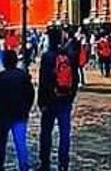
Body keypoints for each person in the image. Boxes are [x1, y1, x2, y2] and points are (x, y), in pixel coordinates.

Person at [0, 49, 35, 171]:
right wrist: (27, 108)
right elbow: (31, 94)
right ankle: (24, 167)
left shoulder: (2, 76)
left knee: (1, 144)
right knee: (21, 144)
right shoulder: (22, 75)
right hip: (20, 115)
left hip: (3, 116)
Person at [38, 27, 78, 171]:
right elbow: (75, 79)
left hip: (49, 101)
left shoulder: (47, 56)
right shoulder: (70, 56)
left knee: (46, 133)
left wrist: (41, 101)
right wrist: (70, 96)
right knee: (65, 134)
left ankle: (45, 163)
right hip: (65, 100)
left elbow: (43, 81)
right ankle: (63, 164)